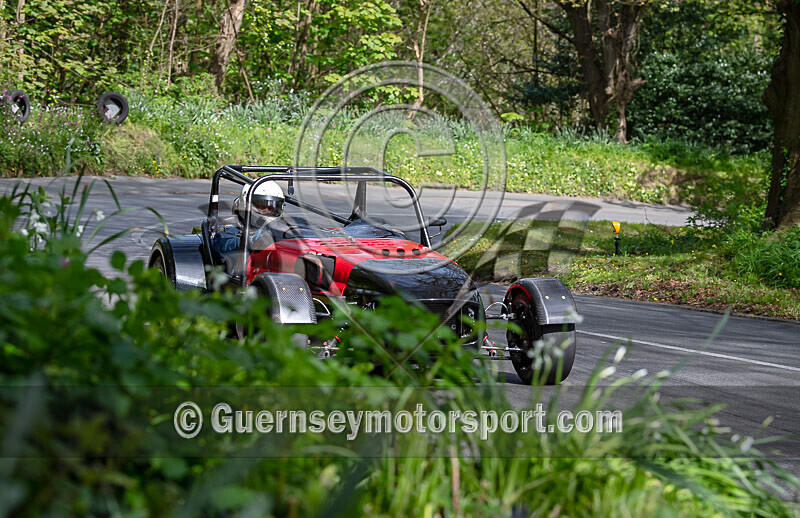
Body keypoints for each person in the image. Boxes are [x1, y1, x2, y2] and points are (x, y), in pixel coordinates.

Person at [211, 180, 285, 273]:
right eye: (262, 207)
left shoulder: (280, 231)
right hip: (242, 279)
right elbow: (224, 246)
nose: (266, 211)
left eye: (271, 208)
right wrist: (252, 241)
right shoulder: (230, 229)